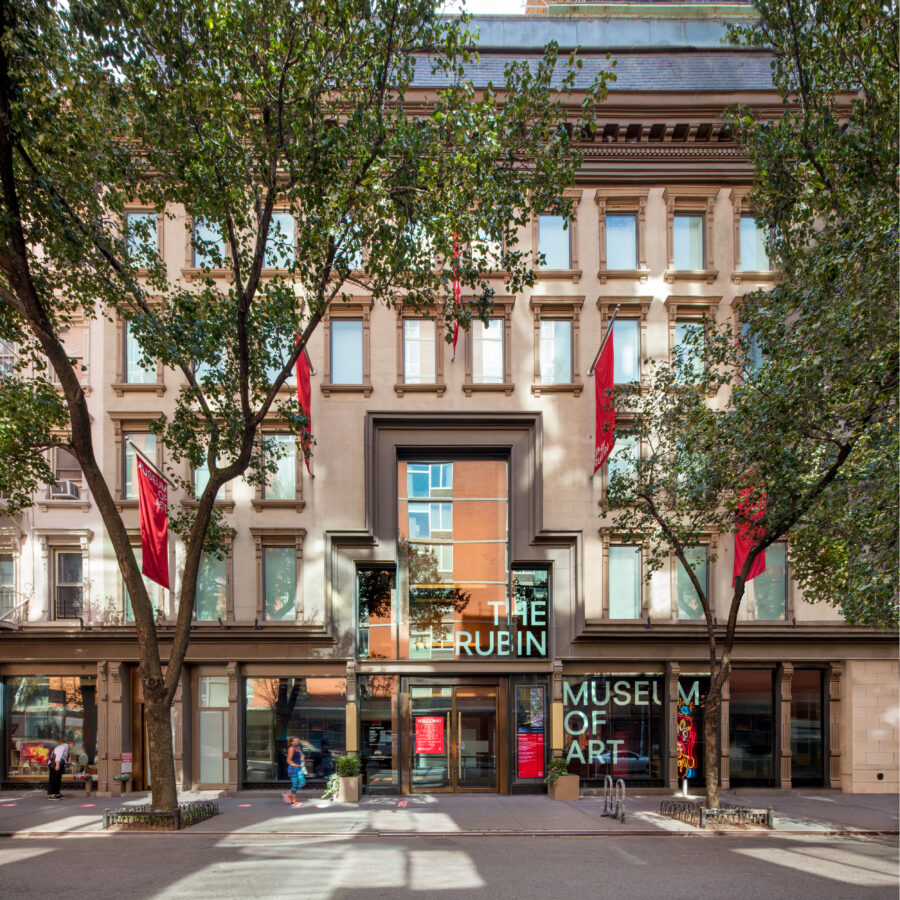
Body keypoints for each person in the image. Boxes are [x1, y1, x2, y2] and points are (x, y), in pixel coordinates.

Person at [283, 736, 305, 808]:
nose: (296, 742)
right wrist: (294, 765)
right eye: (295, 741)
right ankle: (294, 801)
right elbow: (288, 760)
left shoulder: (298, 748)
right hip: (293, 768)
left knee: (302, 782)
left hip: (298, 768)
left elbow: (299, 756)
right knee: (295, 784)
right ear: (291, 742)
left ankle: (288, 793)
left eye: (297, 740)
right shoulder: (291, 748)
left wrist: (301, 755)